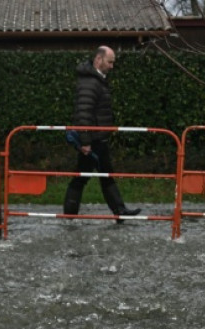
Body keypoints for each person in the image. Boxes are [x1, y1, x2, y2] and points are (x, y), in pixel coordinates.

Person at [63, 46, 141, 220]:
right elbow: (83, 114)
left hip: (96, 137)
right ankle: (118, 211)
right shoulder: (91, 83)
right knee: (90, 176)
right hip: (93, 138)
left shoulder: (94, 81)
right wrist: (85, 142)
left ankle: (118, 211)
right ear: (98, 60)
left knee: (94, 175)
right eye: (110, 62)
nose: (112, 66)